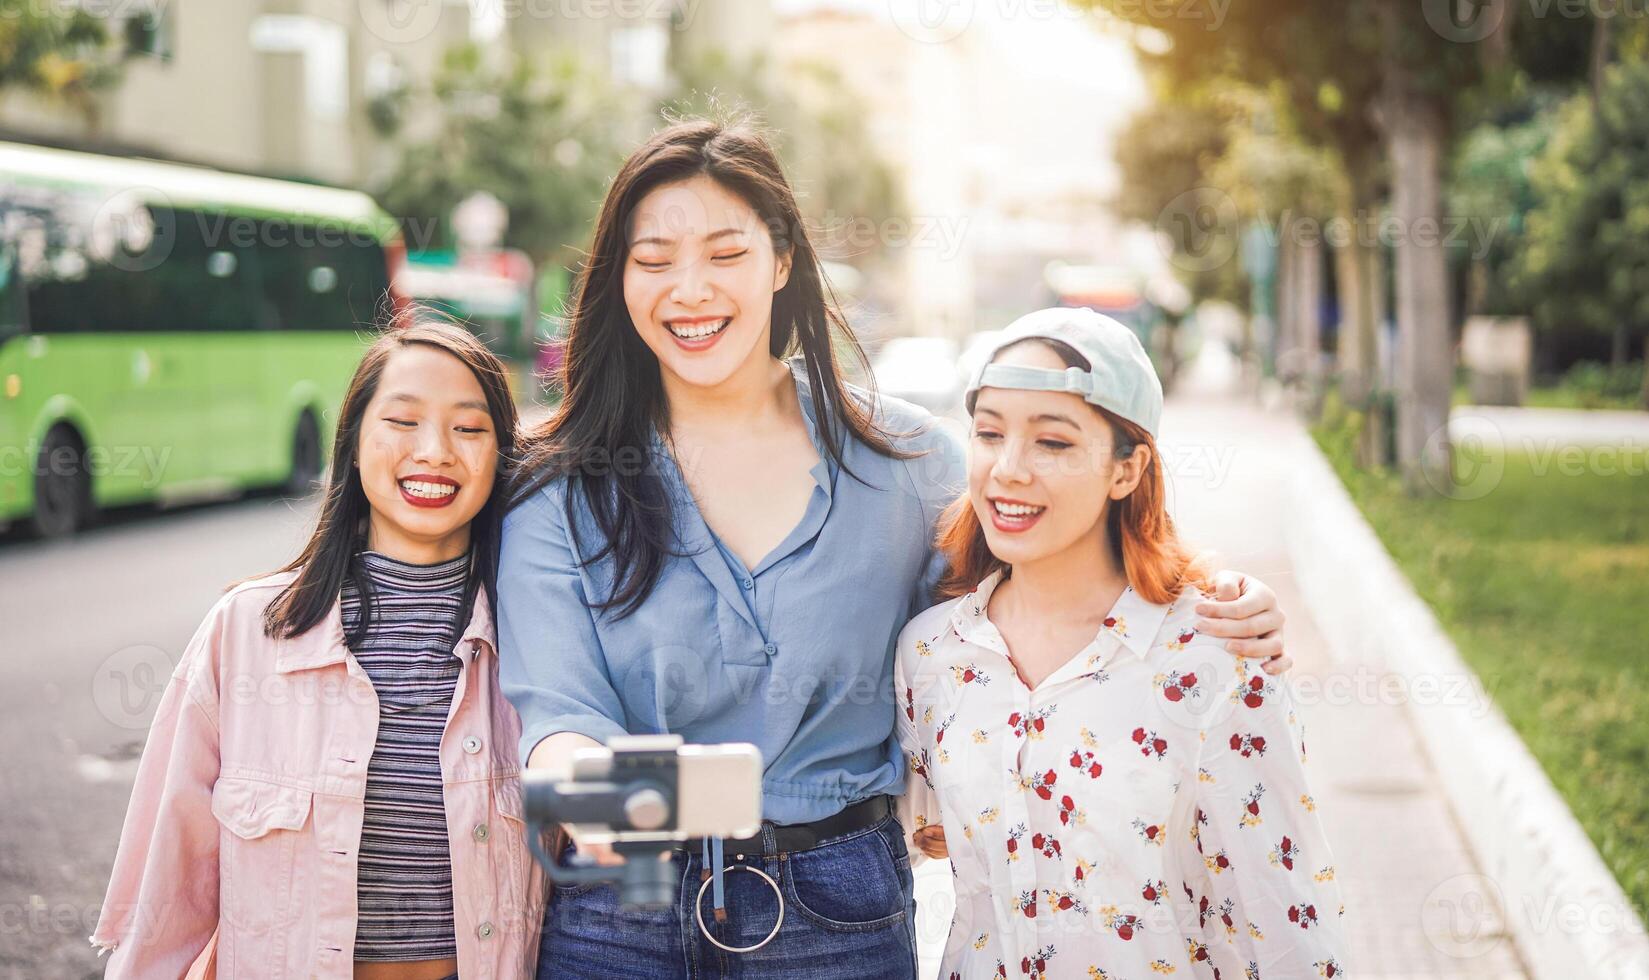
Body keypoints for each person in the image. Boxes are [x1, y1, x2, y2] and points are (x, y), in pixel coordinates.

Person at [497, 117, 1290, 980]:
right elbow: (556, 729)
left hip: (836, 908)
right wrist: (681, 797)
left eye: (726, 254)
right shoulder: (558, 486)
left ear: (783, 260)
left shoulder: (908, 463)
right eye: (653, 260)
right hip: (624, 904)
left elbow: (1038, 603)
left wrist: (1203, 598)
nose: (690, 289)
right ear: (618, 280)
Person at [896, 307, 1346, 979]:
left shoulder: (1213, 658)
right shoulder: (930, 653)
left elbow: (1285, 918)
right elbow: (921, 841)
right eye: (989, 434)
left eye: (1052, 443)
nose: (1007, 470)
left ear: (1125, 470)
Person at [90, 320, 546, 980]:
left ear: (500, 457)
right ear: (354, 445)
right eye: (403, 421)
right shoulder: (245, 632)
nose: (435, 450)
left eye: (469, 429)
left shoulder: (540, 647)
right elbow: (169, 886)